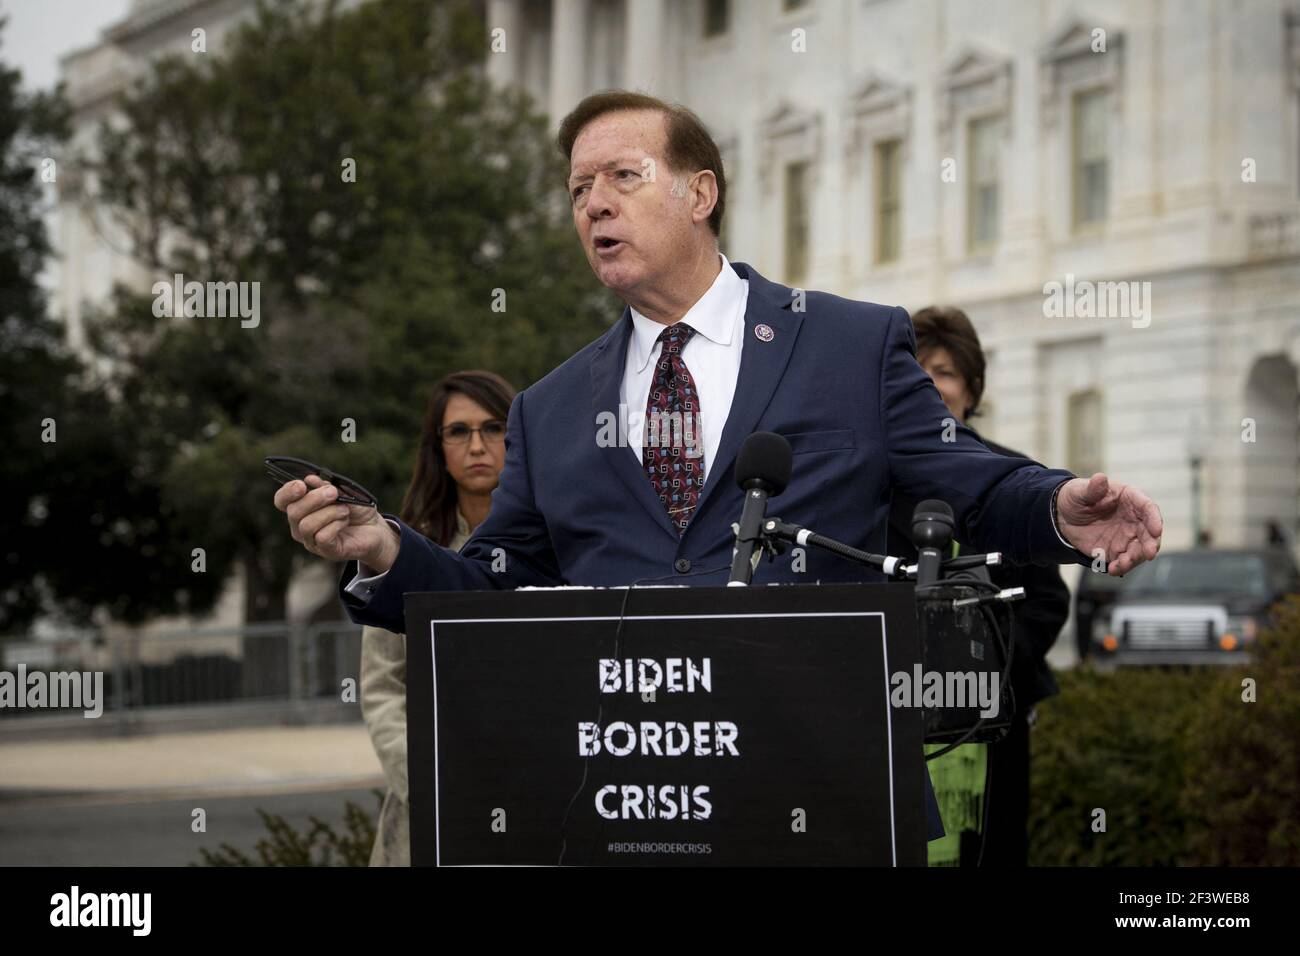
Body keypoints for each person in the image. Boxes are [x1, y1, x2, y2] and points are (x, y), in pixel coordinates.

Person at [274, 90, 1163, 848]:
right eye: (579, 188)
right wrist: (384, 550)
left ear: (700, 193)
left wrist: (1060, 508)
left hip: (827, 798)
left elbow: (974, 482)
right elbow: (493, 588)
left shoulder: (851, 344)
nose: (593, 204)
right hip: (623, 809)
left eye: (623, 176)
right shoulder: (549, 410)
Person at [886, 306, 1070, 866]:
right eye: (919, 372)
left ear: (971, 387)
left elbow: (1045, 601)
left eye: (945, 372)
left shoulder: (1014, 480)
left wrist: (981, 670)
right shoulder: (873, 487)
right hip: (892, 720)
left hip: (996, 723)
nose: (932, 386)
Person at [360, 370, 515, 866]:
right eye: (458, 431)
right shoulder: (404, 551)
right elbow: (383, 685)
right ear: (438, 446)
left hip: (531, 796)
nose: (477, 446)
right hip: (430, 807)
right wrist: (427, 781)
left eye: (494, 429)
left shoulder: (557, 539)